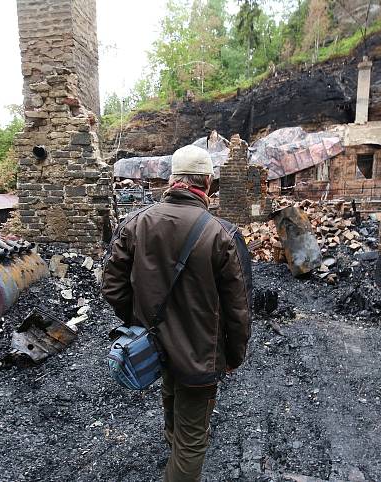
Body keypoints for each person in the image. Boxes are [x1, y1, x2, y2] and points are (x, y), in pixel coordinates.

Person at [102, 144, 252, 481]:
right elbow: (239, 308)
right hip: (201, 353)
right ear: (208, 184)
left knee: (170, 390)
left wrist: (139, 324)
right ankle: (178, 453)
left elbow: (112, 286)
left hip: (154, 343)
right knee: (192, 440)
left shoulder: (134, 224)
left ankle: (171, 439)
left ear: (172, 181)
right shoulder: (223, 235)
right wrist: (234, 355)